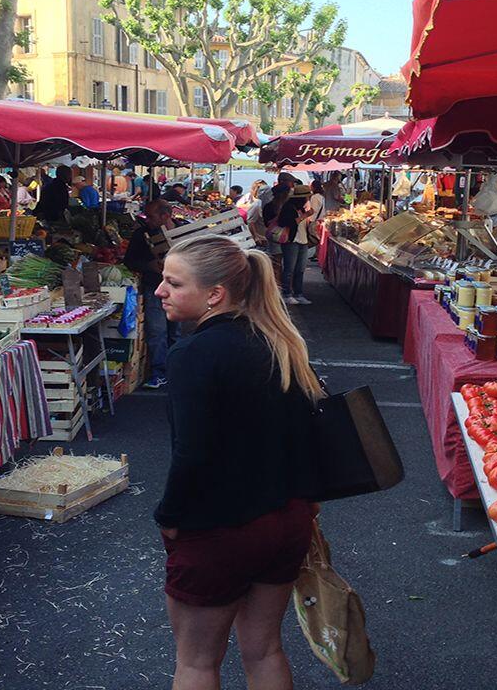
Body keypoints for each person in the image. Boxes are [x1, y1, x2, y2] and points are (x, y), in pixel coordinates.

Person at [153, 235, 323, 690]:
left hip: (220, 528)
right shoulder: (279, 342)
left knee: (196, 663)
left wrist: (169, 518)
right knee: (264, 649)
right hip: (287, 520)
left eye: (173, 283)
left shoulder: (192, 354)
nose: (159, 291)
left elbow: (192, 453)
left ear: (215, 295)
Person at [124, 199, 178, 388]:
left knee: (176, 332)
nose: (147, 219)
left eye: (151, 216)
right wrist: (149, 266)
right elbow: (129, 260)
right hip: (154, 288)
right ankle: (159, 372)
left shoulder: (184, 231)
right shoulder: (141, 234)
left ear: (165, 216)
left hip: (181, 290)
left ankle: (177, 371)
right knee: (157, 332)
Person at [278, 184, 314, 305]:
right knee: (289, 269)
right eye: (306, 197)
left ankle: (298, 293)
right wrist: (305, 216)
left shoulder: (301, 208)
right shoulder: (288, 207)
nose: (307, 199)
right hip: (291, 241)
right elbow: (285, 223)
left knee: (300, 269)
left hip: (302, 241)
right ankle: (286, 293)